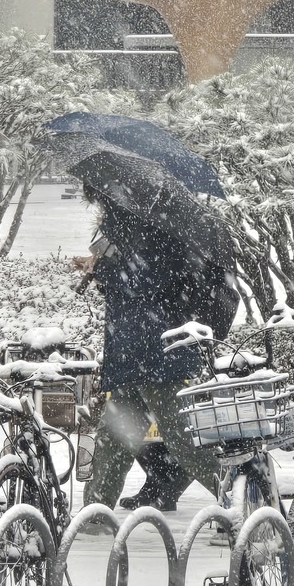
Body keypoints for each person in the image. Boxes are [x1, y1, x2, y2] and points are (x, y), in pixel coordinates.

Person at [74, 185, 238, 513]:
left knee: (186, 443)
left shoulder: (154, 226)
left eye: (98, 197)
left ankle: (243, 502)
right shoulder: (127, 224)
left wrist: (106, 270)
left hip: (161, 355)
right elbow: (136, 282)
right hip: (131, 353)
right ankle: (94, 514)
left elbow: (152, 282)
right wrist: (102, 268)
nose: (97, 204)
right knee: (115, 439)